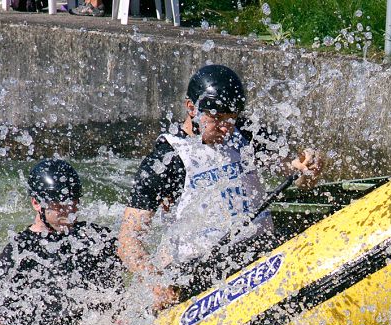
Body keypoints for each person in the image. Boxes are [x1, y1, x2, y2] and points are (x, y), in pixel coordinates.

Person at [117, 64, 323, 309]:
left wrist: (309, 166)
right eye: (217, 117)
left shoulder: (245, 134)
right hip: (199, 271)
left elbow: (296, 173)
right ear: (191, 108)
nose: (227, 127)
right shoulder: (166, 159)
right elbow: (127, 241)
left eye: (232, 117)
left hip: (257, 252)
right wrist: (156, 283)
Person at [0, 158, 124, 325]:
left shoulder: (94, 237)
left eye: (73, 203)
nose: (69, 212)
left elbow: (133, 265)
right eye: (60, 205)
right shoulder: (18, 253)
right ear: (36, 203)